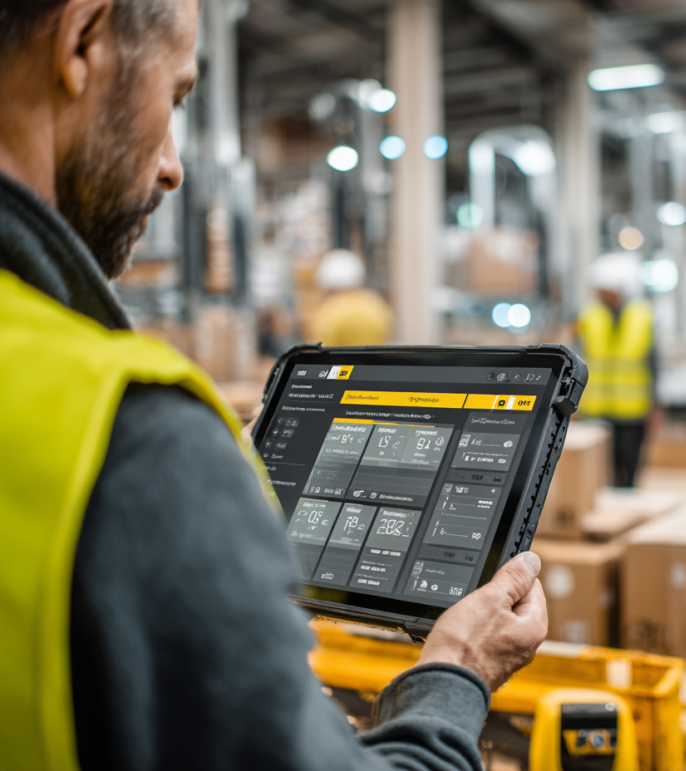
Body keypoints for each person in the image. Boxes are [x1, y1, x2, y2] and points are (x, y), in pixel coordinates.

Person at [0, 2, 547, 770]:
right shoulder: (132, 440)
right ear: (83, 40)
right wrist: (455, 672)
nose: (171, 163)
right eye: (177, 97)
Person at [576, 253, 658, 487]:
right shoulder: (588, 315)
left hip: (631, 406)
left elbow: (652, 361)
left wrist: (656, 400)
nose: (598, 293)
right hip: (597, 405)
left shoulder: (642, 315)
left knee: (630, 463)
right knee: (603, 470)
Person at [309, 249, 394, 347]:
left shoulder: (329, 312)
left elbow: (320, 350)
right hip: (375, 362)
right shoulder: (377, 305)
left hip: (342, 362)